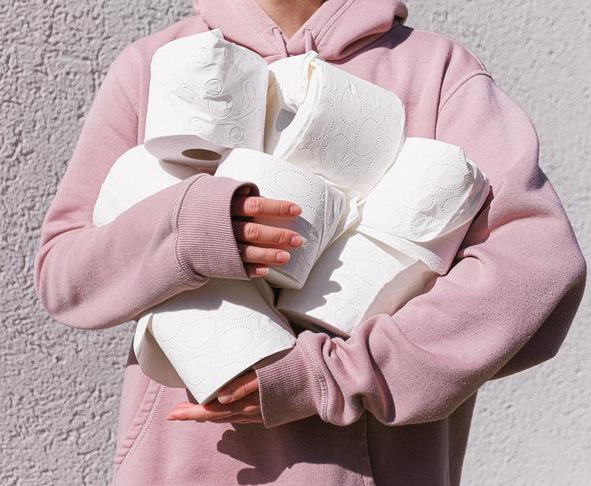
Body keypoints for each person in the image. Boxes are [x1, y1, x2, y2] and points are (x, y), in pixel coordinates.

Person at [32, 0, 587, 484]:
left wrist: (333, 375)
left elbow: (534, 266)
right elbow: (65, 274)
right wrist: (196, 228)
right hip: (178, 467)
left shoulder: (437, 71)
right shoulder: (158, 66)